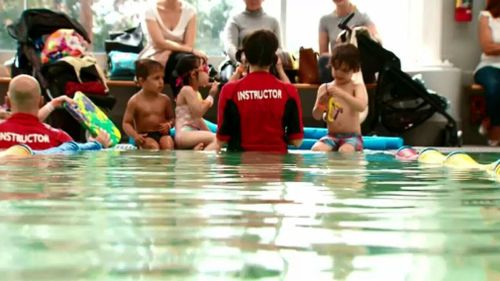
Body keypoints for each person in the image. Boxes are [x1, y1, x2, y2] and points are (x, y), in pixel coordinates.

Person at [217, 30, 304, 153]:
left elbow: (222, 140)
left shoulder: (229, 91)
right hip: (278, 166)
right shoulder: (289, 91)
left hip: (239, 166)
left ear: (246, 56)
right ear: (274, 58)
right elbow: (297, 141)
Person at [0, 75, 110, 150]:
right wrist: (96, 145)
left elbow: (23, 124)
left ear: (7, 102)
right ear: (41, 102)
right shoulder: (59, 138)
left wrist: (52, 104)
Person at [311, 44, 368, 153]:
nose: (339, 73)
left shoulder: (356, 87)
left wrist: (342, 94)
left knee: (345, 151)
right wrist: (322, 104)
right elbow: (316, 116)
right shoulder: (325, 88)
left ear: (354, 69)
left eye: (344, 70)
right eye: (336, 68)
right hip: (332, 136)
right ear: (331, 65)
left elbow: (361, 106)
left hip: (353, 137)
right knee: (316, 149)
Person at [222, 0, 290, 83]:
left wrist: (268, 58)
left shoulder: (273, 21)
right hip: (241, 64)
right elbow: (229, 46)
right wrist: (241, 57)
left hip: (266, 66)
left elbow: (279, 49)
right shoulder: (234, 20)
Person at [139, 0, 207, 82]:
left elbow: (189, 44)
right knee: (185, 62)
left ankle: (185, 93)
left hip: (180, 56)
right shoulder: (149, 10)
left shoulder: (190, 11)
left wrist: (187, 49)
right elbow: (159, 43)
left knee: (187, 60)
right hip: (156, 56)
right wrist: (192, 50)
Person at [318, 0, 378, 83]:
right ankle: (330, 92)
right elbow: (323, 53)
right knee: (323, 60)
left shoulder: (363, 17)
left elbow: (377, 42)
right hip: (338, 64)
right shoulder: (325, 20)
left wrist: (358, 34)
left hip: (357, 65)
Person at [122, 59, 175, 150]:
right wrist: (135, 136)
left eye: (162, 77)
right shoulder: (135, 101)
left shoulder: (165, 99)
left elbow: (172, 118)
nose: (161, 82)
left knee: (168, 144)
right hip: (145, 136)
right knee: (152, 147)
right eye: (156, 78)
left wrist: (169, 125)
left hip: (163, 134)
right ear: (142, 81)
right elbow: (126, 123)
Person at [171, 54, 219, 150]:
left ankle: (196, 153)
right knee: (217, 141)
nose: (208, 71)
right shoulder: (187, 90)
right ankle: (202, 156)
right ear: (193, 74)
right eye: (204, 68)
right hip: (184, 133)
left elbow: (198, 120)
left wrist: (209, 132)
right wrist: (211, 96)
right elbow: (198, 113)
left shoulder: (195, 92)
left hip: (191, 132)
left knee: (214, 138)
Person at [474, 0, 500, 146]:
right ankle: (495, 131)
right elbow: (487, 47)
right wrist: (493, 47)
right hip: (489, 66)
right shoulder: (486, 16)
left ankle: (488, 120)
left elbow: (493, 46)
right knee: (495, 86)